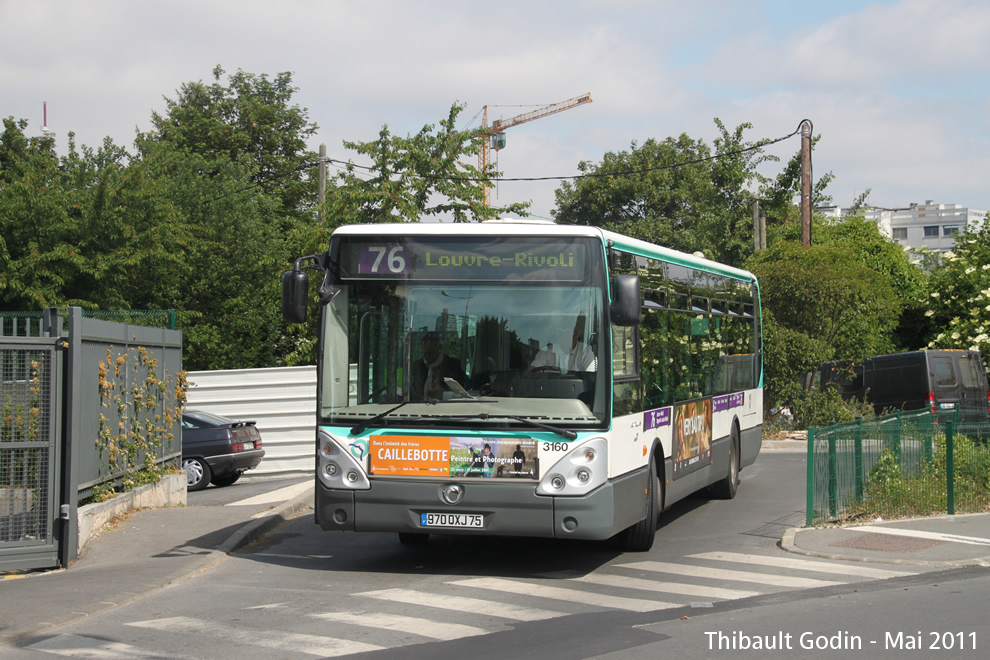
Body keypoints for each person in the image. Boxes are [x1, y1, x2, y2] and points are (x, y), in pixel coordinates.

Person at [411, 332, 468, 400]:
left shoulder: (453, 365)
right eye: (425, 353)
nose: (428, 356)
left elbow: (465, 388)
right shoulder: (417, 365)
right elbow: (411, 388)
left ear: (439, 349)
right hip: (418, 406)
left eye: (431, 352)